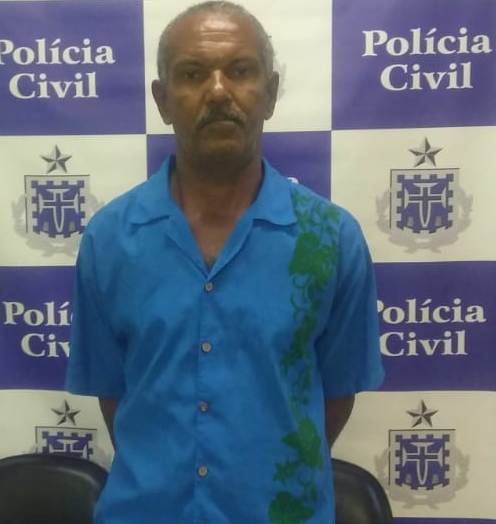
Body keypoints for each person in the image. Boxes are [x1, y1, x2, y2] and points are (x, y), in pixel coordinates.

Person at [65, 2, 384, 523]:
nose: (218, 91)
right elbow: (115, 395)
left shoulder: (330, 238)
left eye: (240, 70)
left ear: (270, 93)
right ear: (162, 100)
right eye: (193, 74)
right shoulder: (110, 239)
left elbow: (336, 394)